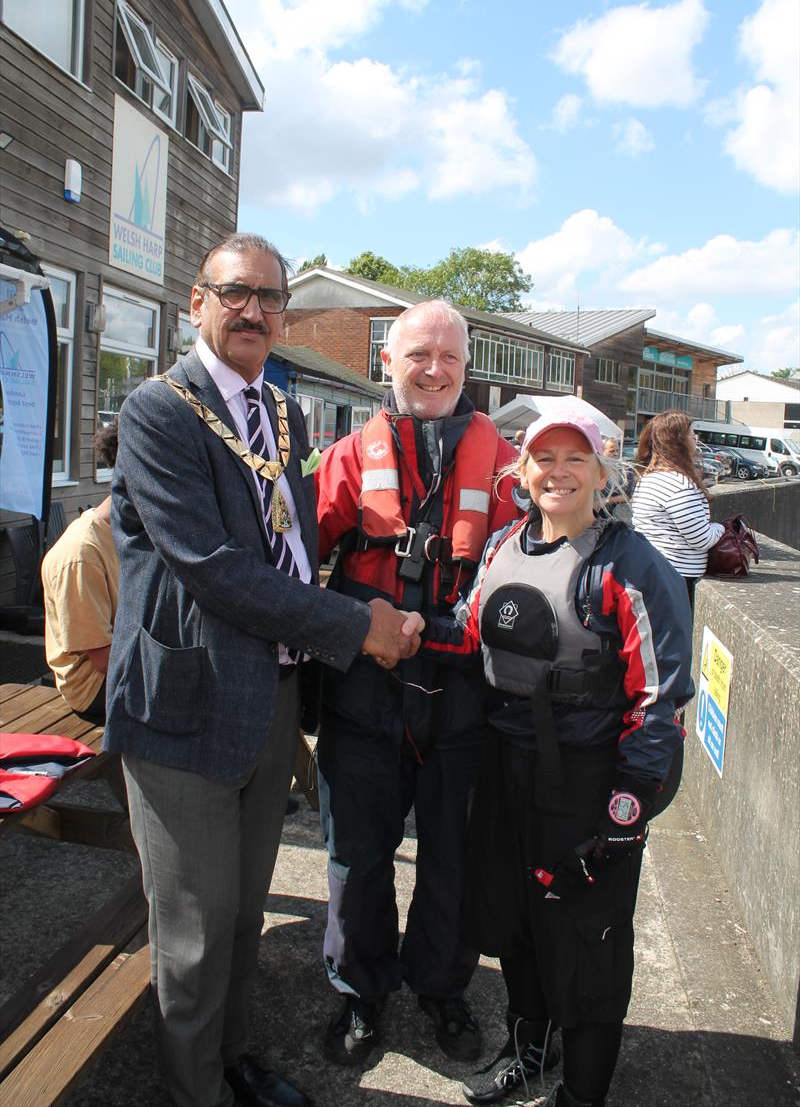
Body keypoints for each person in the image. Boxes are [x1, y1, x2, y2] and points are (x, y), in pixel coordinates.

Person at [104, 233, 420, 1107]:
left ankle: (231, 1057)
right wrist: (357, 626)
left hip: (270, 695)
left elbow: (289, 540)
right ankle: (192, 1089)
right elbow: (212, 566)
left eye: (269, 298)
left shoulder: (282, 408)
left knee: (244, 914)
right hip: (185, 703)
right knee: (194, 930)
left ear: (286, 314)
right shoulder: (158, 410)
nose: (252, 311)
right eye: (234, 293)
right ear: (197, 302)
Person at [422, 407, 693, 1107]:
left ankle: (583, 1090)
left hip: (588, 781)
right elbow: (468, 632)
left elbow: (659, 699)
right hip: (506, 769)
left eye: (576, 459)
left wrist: (627, 806)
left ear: (603, 471)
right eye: (545, 458)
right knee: (515, 922)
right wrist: (402, 629)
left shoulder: (631, 566)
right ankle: (529, 1050)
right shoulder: (504, 545)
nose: (559, 472)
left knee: (586, 942)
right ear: (523, 469)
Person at [314, 300, 520, 1067]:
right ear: (387, 362)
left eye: (450, 359)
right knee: (356, 860)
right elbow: (289, 568)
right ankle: (360, 992)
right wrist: (355, 613)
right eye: (418, 356)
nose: (434, 371)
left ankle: (442, 988)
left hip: (463, 701)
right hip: (365, 697)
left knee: (452, 864)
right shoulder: (343, 459)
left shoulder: (504, 465)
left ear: (467, 368)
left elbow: (531, 573)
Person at [42, 421, 120, 720]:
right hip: (95, 689)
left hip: (123, 666)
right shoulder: (81, 554)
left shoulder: (135, 531)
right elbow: (103, 660)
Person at [631, 410, 724, 609]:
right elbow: (701, 539)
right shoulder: (679, 484)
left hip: (654, 572)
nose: (696, 438)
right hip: (677, 578)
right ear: (679, 441)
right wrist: (721, 528)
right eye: (692, 434)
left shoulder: (649, 478)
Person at [598, 437, 634, 526]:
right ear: (602, 451)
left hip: (618, 519)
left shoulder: (625, 470)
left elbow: (627, 496)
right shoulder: (595, 469)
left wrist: (605, 501)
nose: (616, 454)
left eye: (617, 450)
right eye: (612, 451)